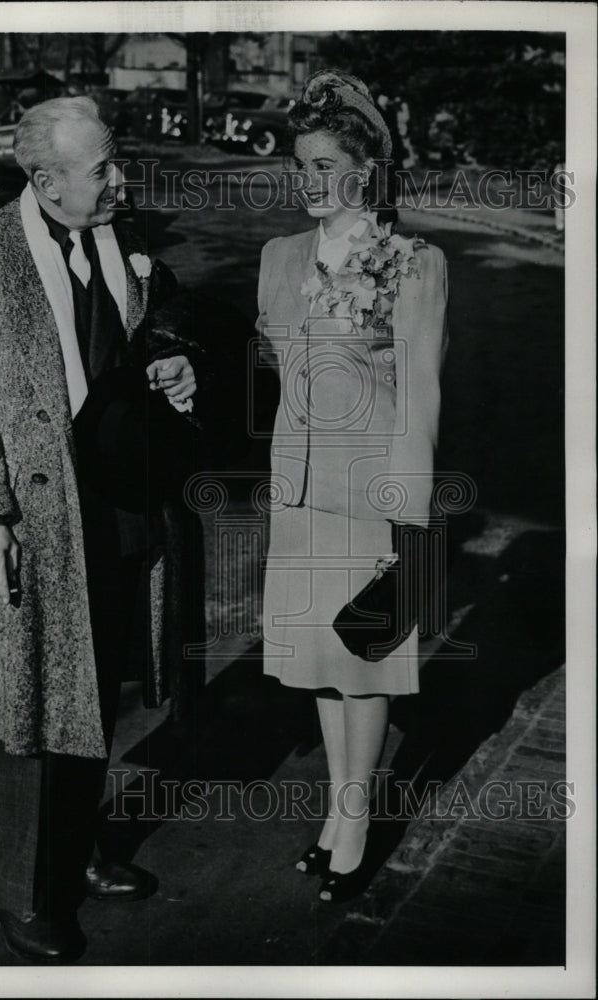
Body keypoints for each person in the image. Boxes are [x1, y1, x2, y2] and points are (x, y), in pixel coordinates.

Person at [0, 95, 208, 963]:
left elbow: (145, 336)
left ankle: (77, 852)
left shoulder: (127, 246)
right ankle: (22, 894)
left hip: (121, 508)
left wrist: (171, 357)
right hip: (33, 520)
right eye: (102, 170)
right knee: (33, 711)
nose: (120, 179)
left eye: (116, 162)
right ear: (44, 181)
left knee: (97, 689)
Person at [256, 70, 448, 902]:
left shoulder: (414, 263)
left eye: (327, 164)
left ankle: (358, 821)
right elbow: (274, 363)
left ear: (364, 172)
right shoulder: (277, 257)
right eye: (301, 164)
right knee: (319, 665)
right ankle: (339, 814)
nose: (310, 180)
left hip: (370, 496)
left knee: (363, 664)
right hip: (299, 490)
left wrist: (409, 510)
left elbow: (421, 391)